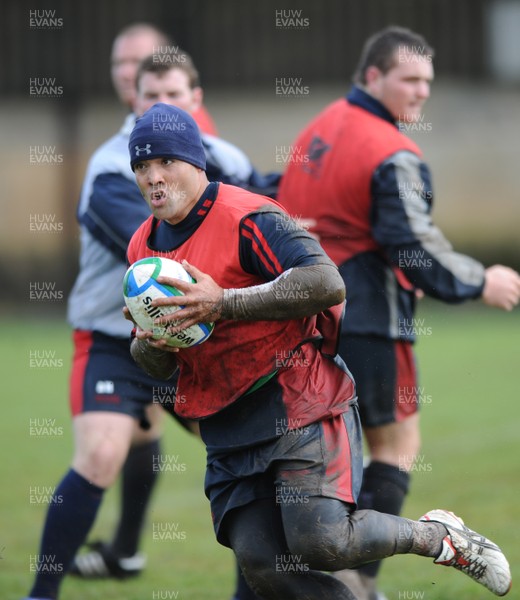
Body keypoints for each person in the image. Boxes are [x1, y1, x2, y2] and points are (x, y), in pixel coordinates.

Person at [124, 102, 512, 600]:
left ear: (196, 163)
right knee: (264, 566)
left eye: (166, 163)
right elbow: (157, 361)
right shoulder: (141, 250)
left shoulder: (249, 216)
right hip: (227, 422)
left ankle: (439, 537)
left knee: (324, 541)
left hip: (297, 397)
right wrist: (150, 344)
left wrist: (223, 302)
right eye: (142, 166)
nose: (153, 178)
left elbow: (327, 281)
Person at [276, 25, 520, 599]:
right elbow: (409, 242)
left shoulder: (317, 130)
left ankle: (316, 579)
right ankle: (356, 584)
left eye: (428, 81)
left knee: (319, 455)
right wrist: (479, 279)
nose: (422, 92)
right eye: (409, 79)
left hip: (301, 324)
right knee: (393, 447)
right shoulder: (390, 150)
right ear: (372, 76)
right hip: (368, 321)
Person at [24, 41, 263, 600]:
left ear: (195, 98)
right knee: (102, 452)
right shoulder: (112, 169)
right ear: (132, 96)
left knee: (247, 463)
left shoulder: (226, 159)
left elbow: (267, 215)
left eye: (174, 95)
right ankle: (40, 594)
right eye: (150, 94)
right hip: (115, 338)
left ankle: (247, 592)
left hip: (197, 343)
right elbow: (157, 260)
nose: (161, 105)